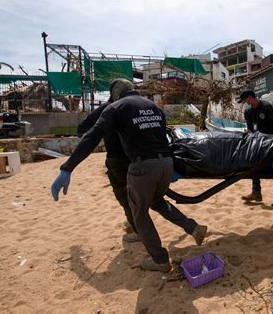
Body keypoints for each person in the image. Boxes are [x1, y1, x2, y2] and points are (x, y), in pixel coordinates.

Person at [51, 78, 207, 272]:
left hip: (142, 166)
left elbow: (92, 136)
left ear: (115, 94)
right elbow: (163, 136)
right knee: (158, 202)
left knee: (139, 214)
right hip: (166, 163)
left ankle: (160, 261)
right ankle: (193, 227)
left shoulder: (115, 108)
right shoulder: (154, 107)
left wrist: (68, 167)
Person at [76, 87, 138, 242]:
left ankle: (136, 228)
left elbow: (87, 124)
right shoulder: (135, 106)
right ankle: (133, 223)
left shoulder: (107, 108)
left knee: (123, 194)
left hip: (117, 158)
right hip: (137, 157)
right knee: (136, 193)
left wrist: (80, 135)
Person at [238, 89, 273, 202]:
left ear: (250, 97)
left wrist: (262, 136)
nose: (243, 102)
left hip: (272, 140)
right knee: (254, 164)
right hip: (258, 141)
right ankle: (256, 192)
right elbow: (250, 129)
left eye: (244, 100)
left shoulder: (266, 106)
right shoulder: (248, 112)